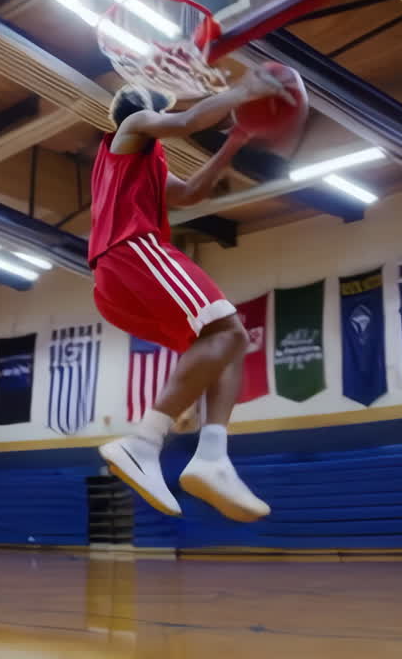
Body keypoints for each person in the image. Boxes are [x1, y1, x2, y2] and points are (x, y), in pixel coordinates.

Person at [91, 67, 294, 522]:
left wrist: (236, 140)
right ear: (142, 109)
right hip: (132, 251)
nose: (167, 112)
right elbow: (186, 123)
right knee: (229, 331)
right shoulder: (129, 127)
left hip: (116, 281)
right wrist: (240, 90)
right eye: (160, 107)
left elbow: (192, 194)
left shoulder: (144, 163)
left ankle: (212, 457)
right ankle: (143, 442)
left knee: (228, 342)